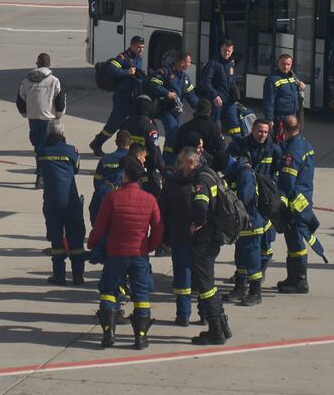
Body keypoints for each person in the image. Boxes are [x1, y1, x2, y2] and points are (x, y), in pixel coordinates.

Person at [88, 155, 166, 349]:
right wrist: (150, 246)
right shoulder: (150, 200)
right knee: (141, 295)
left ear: (124, 175)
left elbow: (99, 226)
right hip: (139, 255)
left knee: (109, 292)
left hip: (115, 254)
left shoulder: (112, 198)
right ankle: (140, 337)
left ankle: (109, 333)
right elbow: (158, 228)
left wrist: (92, 243)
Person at [162, 147, 232, 345]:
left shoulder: (200, 180)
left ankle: (216, 331)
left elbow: (201, 207)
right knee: (208, 283)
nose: (179, 166)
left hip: (203, 240)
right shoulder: (210, 174)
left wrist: (196, 223)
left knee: (206, 285)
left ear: (191, 162)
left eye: (181, 163)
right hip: (213, 238)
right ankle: (221, 324)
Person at [275, 115, 322, 293]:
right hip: (305, 197)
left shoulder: (292, 150)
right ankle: (292, 277)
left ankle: (300, 281)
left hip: (295, 201)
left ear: (283, 129)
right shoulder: (305, 144)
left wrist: (284, 200)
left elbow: (287, 180)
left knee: (295, 238)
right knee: (295, 237)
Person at [37, 122, 85, 284]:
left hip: (51, 202)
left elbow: (41, 168)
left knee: (57, 240)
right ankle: (78, 276)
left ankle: (59, 275)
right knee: (76, 238)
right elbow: (76, 169)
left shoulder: (42, 151)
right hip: (70, 201)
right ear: (63, 133)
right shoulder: (71, 151)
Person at [235, 117, 282, 278]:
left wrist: (273, 186)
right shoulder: (240, 146)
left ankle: (262, 265)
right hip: (247, 198)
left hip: (265, 199)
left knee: (265, 237)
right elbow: (227, 165)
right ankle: (245, 272)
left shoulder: (273, 149)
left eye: (265, 132)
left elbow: (279, 171)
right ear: (252, 130)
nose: (263, 134)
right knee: (247, 239)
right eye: (260, 131)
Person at [225, 153, 270, 306]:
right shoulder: (236, 173)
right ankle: (240, 287)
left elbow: (244, 199)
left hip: (251, 224)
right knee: (241, 258)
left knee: (252, 260)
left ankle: (255, 292)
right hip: (242, 225)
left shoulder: (244, 174)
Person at [16, 53, 65, 186]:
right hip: (48, 119)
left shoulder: (26, 80)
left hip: (33, 119)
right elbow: (60, 100)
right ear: (48, 65)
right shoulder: (53, 80)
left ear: (37, 64)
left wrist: (25, 114)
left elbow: (20, 99)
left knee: (38, 147)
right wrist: (59, 114)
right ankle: (44, 175)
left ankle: (41, 176)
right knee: (50, 147)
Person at [91, 36, 145, 155]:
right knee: (114, 123)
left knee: (129, 125)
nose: (141, 50)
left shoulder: (138, 58)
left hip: (132, 97)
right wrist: (127, 72)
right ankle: (97, 142)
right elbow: (110, 69)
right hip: (121, 97)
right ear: (132, 46)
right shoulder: (123, 57)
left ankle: (124, 148)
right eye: (138, 47)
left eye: (142, 48)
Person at [146, 51, 197, 154]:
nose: (189, 64)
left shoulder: (184, 77)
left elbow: (191, 95)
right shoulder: (165, 72)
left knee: (178, 134)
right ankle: (167, 159)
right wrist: (166, 93)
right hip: (164, 108)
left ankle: (170, 156)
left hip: (176, 111)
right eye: (188, 62)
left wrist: (201, 107)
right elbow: (153, 84)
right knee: (173, 132)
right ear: (182, 62)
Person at [88, 130, 132, 225]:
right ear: (131, 143)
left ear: (116, 142)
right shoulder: (134, 161)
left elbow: (97, 181)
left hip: (105, 198)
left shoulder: (105, 159)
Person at [176, 100, 229, 173]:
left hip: (186, 167)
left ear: (196, 110)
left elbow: (176, 149)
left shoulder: (185, 127)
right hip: (207, 168)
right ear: (210, 111)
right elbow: (221, 148)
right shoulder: (214, 127)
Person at [263, 52, 305, 133]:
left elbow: (297, 87)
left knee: (292, 141)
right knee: (280, 141)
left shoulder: (293, 76)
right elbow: (269, 100)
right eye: (283, 64)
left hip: (293, 116)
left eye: (288, 64)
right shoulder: (272, 79)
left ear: (291, 64)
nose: (285, 66)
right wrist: (269, 119)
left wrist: (301, 85)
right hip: (280, 118)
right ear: (278, 63)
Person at [200, 39, 239, 123]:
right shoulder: (213, 62)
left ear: (232, 51)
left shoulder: (231, 63)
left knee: (235, 124)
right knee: (214, 123)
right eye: (225, 50)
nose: (227, 53)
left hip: (230, 100)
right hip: (217, 100)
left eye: (229, 51)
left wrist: (235, 95)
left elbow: (232, 81)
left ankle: (237, 136)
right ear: (221, 49)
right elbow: (205, 81)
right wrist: (215, 96)